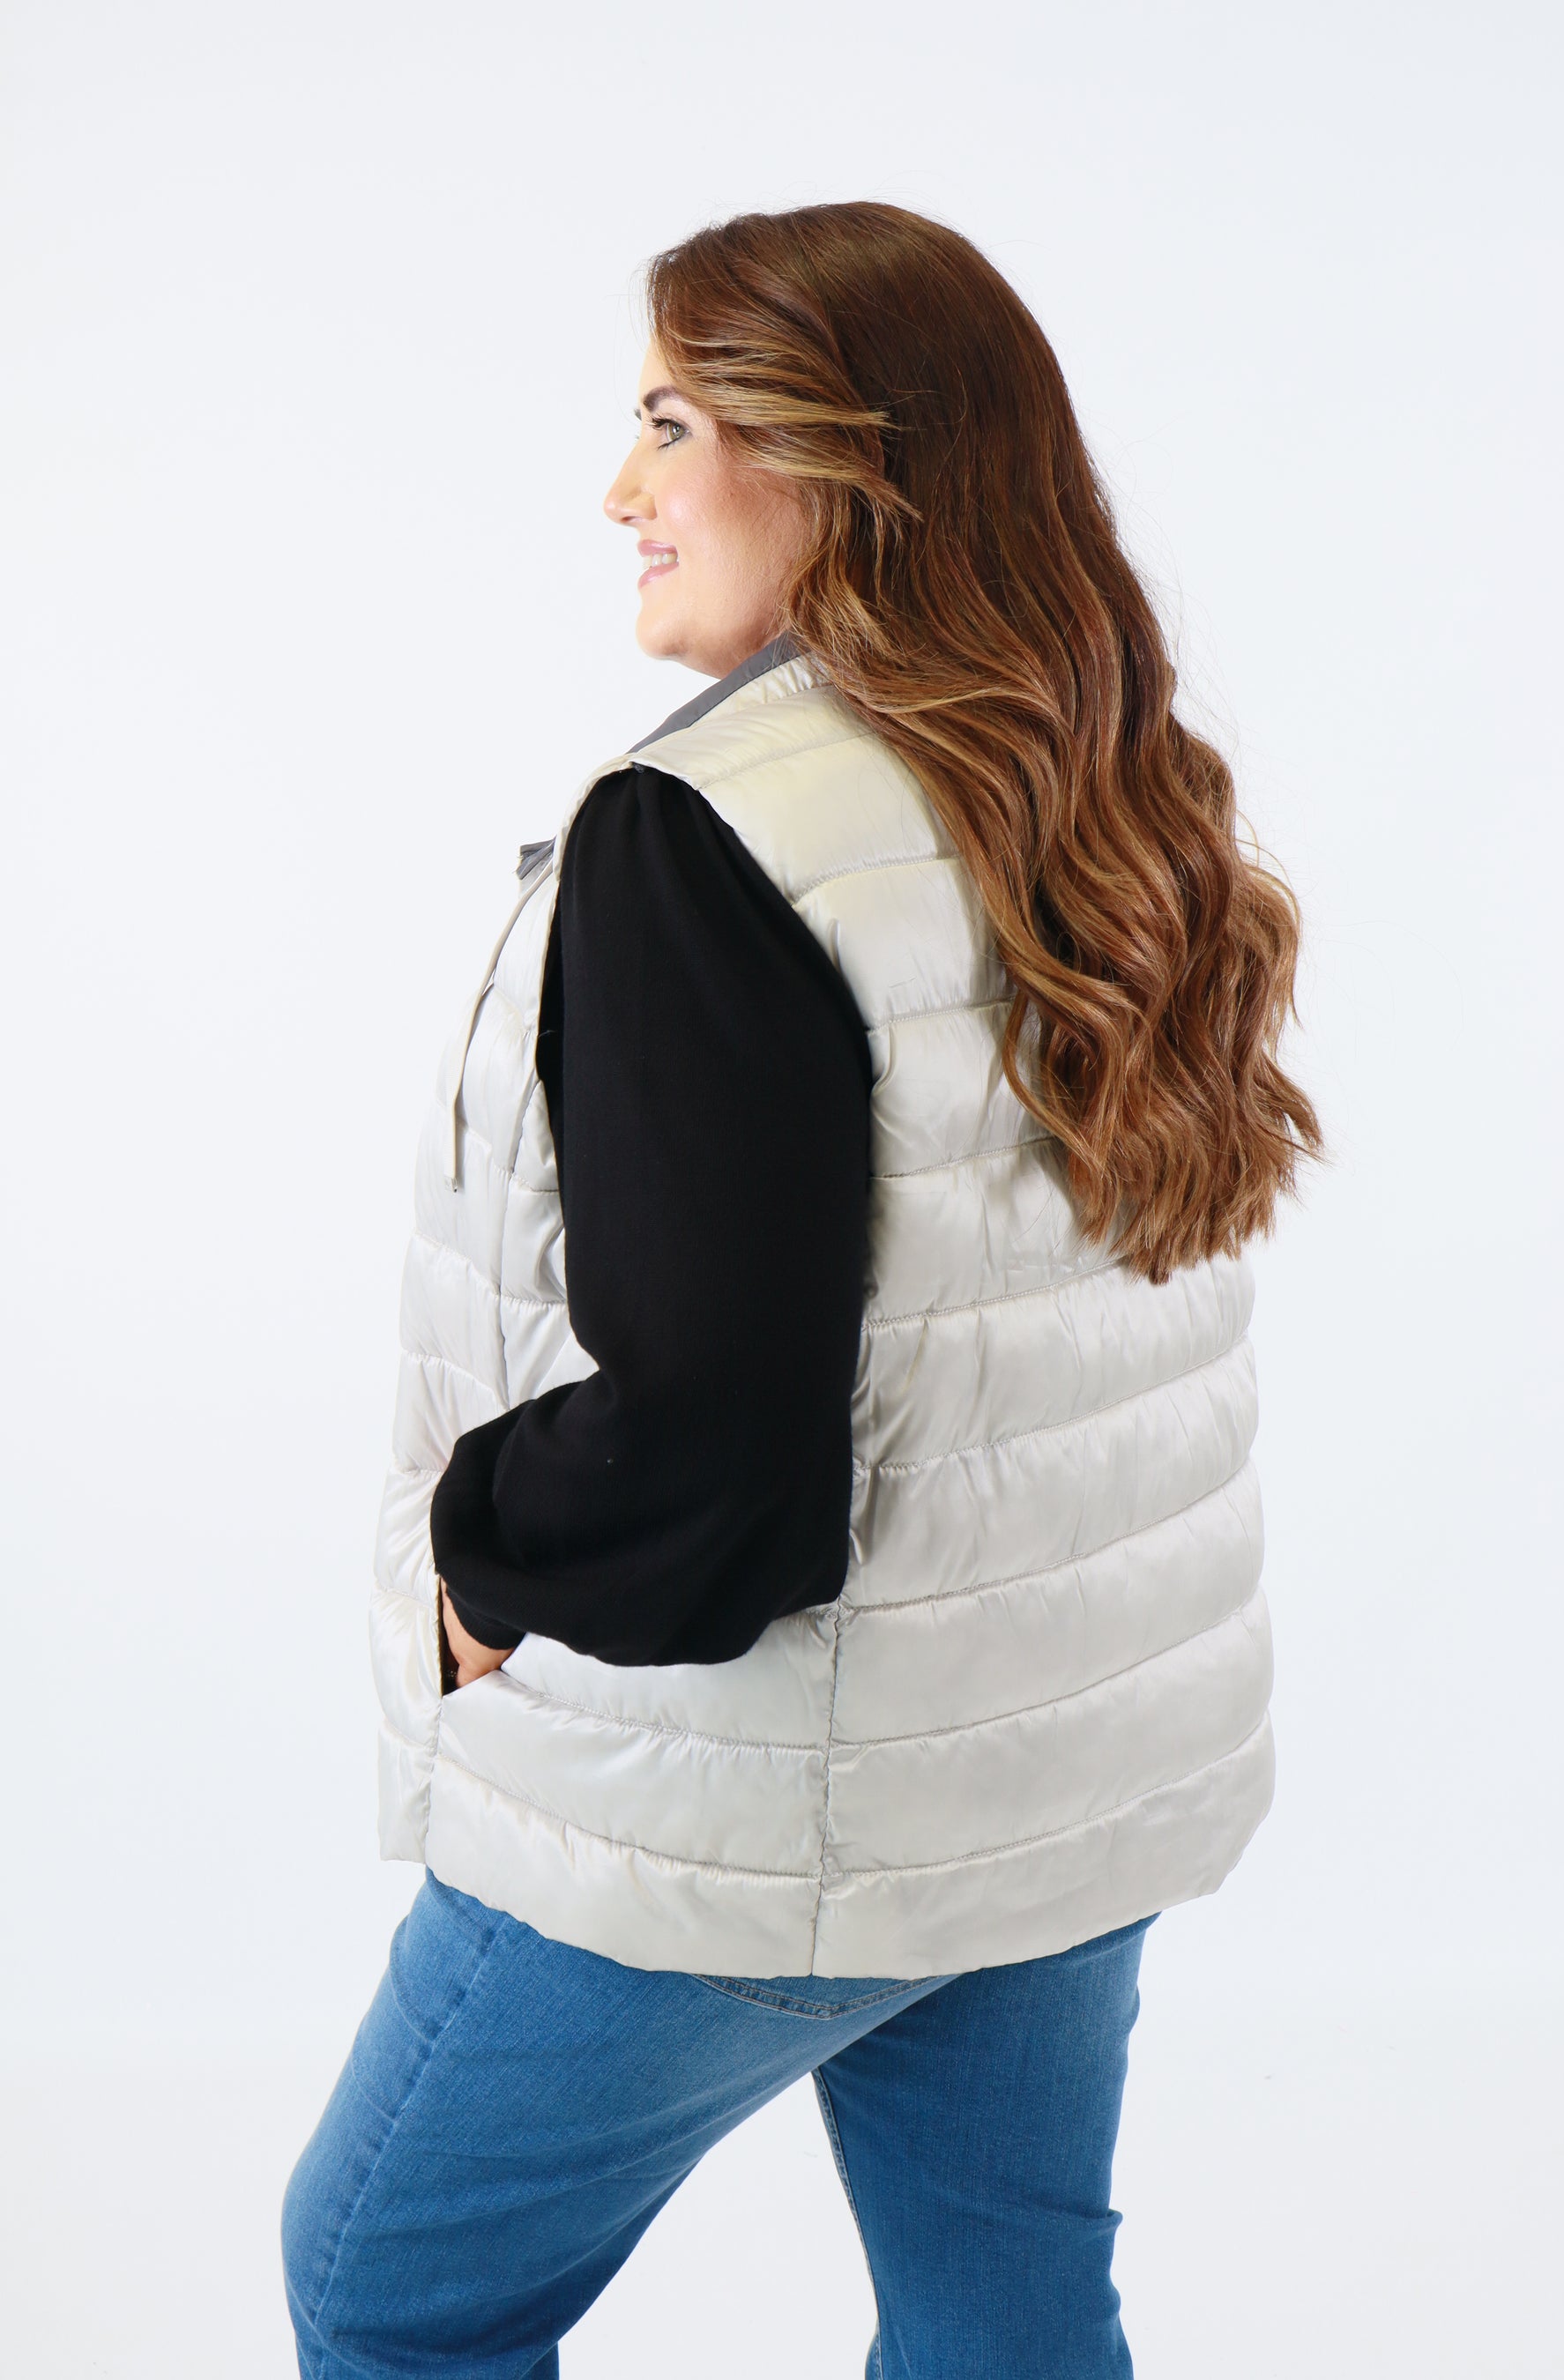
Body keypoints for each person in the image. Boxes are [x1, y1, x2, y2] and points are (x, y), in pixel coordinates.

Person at [282, 200, 1321, 2378]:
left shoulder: (708, 835)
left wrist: (478, 1556)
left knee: (389, 2284)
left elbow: (714, 1465)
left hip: (770, 1810)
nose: (621, 489)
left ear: (840, 462)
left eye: (672, 420)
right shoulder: (1099, 783)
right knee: (1006, 2313)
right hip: (1062, 1777)